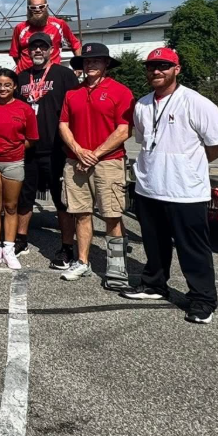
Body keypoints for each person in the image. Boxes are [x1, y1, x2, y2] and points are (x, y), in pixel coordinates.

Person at [120, 48, 218, 324]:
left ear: (176, 69)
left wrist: (189, 164)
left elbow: (217, 143)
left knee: (192, 247)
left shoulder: (195, 102)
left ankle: (202, 299)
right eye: (151, 67)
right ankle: (155, 284)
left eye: (163, 66)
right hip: (149, 185)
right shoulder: (143, 104)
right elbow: (145, 140)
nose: (156, 71)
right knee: (154, 243)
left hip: (185, 190)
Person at [57, 43, 135, 287]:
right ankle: (82, 261)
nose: (90, 65)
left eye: (96, 60)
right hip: (76, 162)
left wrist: (95, 154)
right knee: (81, 213)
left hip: (108, 162)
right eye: (87, 61)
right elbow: (63, 125)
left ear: (106, 64)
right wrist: (79, 151)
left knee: (112, 215)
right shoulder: (73, 93)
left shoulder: (121, 91)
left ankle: (116, 267)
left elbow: (124, 130)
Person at [16, 32, 80, 266]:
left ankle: (66, 247)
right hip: (28, 148)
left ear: (52, 50)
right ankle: (21, 239)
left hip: (56, 148)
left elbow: (76, 110)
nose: (38, 51)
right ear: (28, 51)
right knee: (24, 197)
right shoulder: (21, 77)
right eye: (34, 48)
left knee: (62, 200)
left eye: (43, 47)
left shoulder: (65, 75)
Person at [0, 68, 38, 269]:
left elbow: (31, 139)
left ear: (15, 87)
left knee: (11, 207)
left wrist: (15, 149)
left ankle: (9, 250)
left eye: (7, 85)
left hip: (14, 162)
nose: (2, 88)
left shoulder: (24, 109)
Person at [8, 0, 82, 72]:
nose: (37, 10)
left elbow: (76, 45)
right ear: (28, 8)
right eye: (33, 7)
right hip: (26, 75)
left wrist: (79, 66)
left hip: (52, 74)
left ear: (47, 7)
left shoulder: (59, 24)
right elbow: (15, 54)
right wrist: (24, 70)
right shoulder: (20, 28)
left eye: (41, 6)